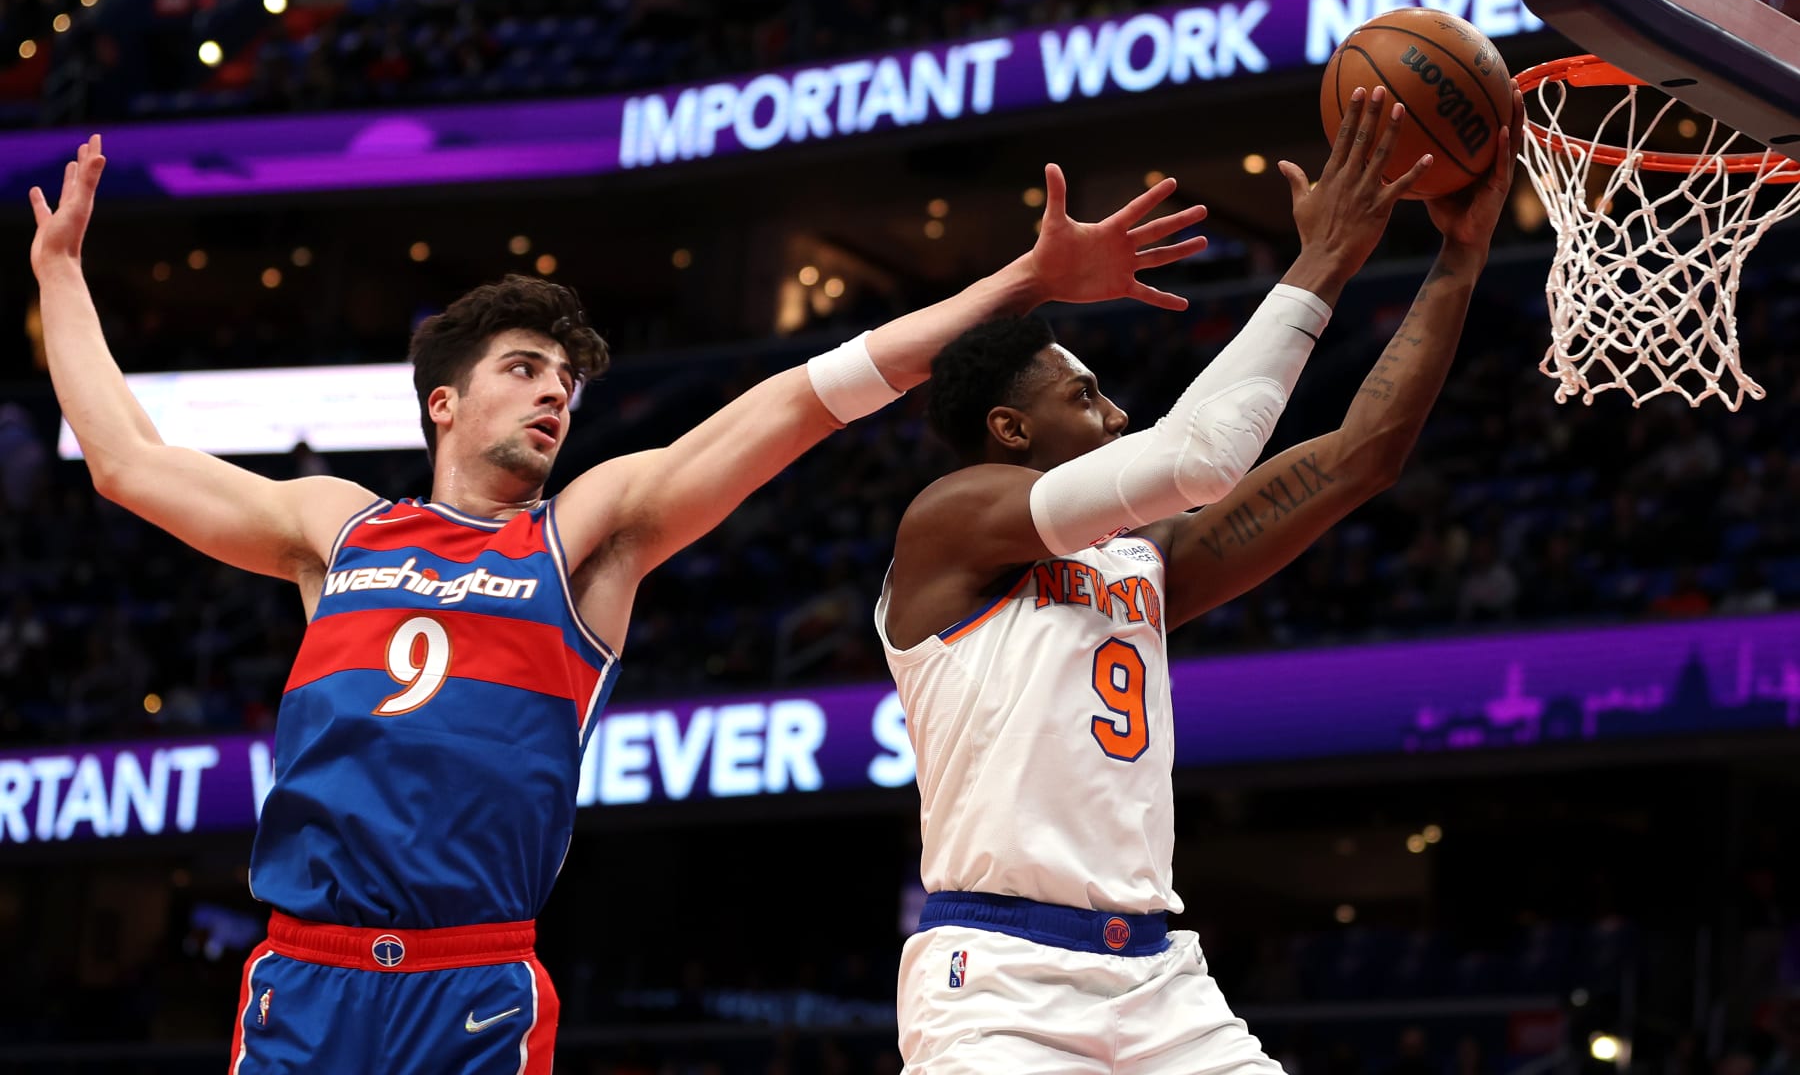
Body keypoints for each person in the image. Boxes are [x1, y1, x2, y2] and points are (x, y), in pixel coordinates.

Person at [29, 136, 1210, 1073]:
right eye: (524, 371)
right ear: (444, 402)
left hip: (471, 985)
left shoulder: (586, 535)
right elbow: (129, 462)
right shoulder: (336, 528)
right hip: (308, 974)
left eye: (567, 382)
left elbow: (802, 401)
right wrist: (61, 278)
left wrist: (1017, 287)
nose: (555, 397)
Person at [874, 83, 1525, 1073]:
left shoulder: (1143, 559)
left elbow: (1361, 457)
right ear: (1010, 429)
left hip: (1161, 983)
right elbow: (1200, 453)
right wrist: (1329, 256)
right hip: (999, 980)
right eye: (1083, 396)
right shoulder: (948, 525)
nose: (1114, 414)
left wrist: (1460, 258)